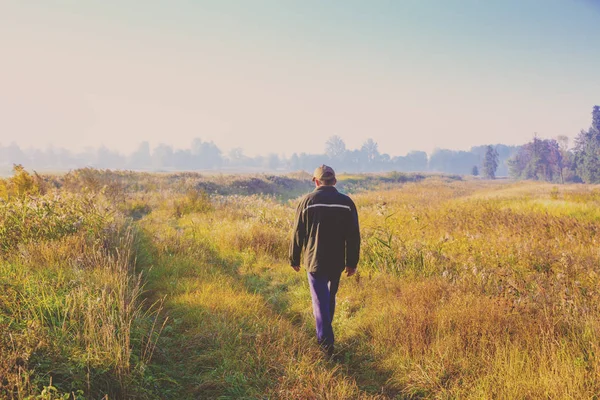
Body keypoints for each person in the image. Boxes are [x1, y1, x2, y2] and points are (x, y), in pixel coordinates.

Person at [289, 164, 360, 357]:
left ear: (316, 181)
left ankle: (326, 344)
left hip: (314, 261)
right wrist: (352, 262)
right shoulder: (346, 203)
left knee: (320, 301)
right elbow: (353, 236)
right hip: (337, 261)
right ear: (335, 181)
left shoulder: (307, 201)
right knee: (328, 299)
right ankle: (326, 334)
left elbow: (298, 233)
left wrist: (294, 257)